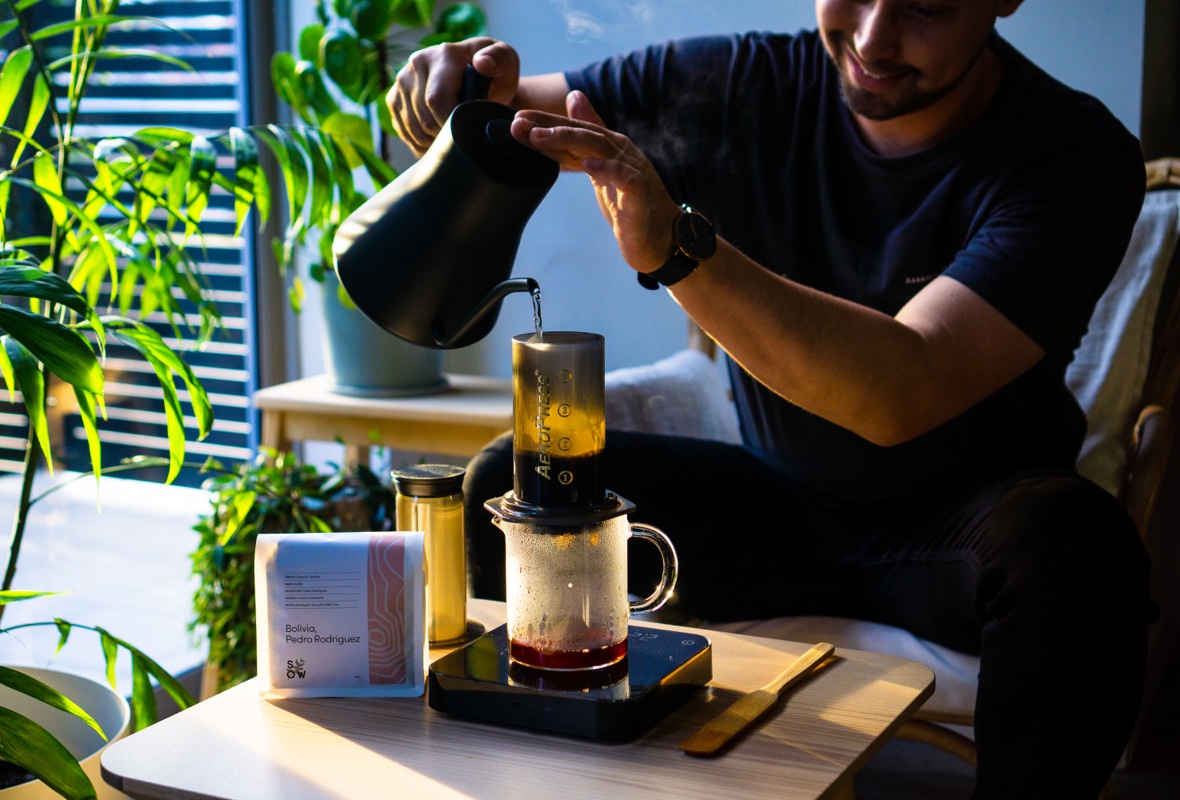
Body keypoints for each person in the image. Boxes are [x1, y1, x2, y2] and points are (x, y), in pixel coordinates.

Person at [387, 2, 1155, 796]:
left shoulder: (1073, 154)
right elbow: (520, 116)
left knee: (1075, 545)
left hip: (959, 534)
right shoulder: (741, 83)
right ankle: (529, 777)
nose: (872, 40)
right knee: (513, 481)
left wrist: (680, 251)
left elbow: (901, 390)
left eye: (925, 7)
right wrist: (464, 92)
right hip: (780, 507)